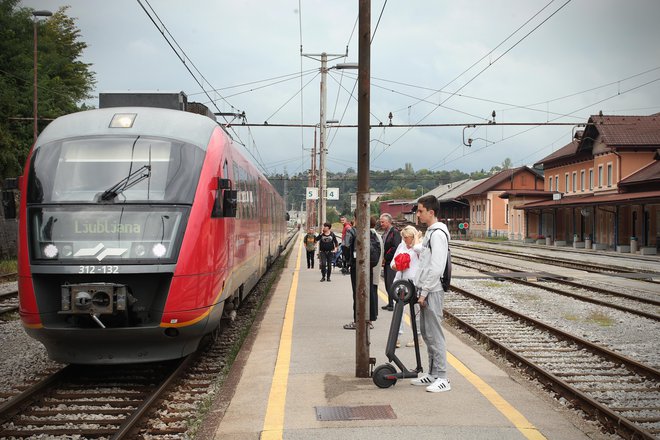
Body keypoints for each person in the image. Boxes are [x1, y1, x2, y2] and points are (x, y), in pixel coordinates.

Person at [410, 195, 451, 393]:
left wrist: (424, 292)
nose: (418, 215)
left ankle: (443, 377)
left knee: (435, 334)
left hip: (432, 291)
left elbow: (437, 268)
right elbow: (424, 256)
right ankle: (433, 373)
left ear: (431, 212)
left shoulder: (438, 235)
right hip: (426, 290)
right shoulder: (430, 233)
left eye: (420, 211)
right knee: (426, 333)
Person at [344, 215, 383, 330]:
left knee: (357, 293)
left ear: (356, 218)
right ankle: (369, 320)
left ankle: (358, 321)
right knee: (369, 291)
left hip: (357, 266)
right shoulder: (372, 233)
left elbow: (346, 246)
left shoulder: (353, 231)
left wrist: (348, 261)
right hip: (369, 267)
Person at [390, 225, 422, 348]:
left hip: (414, 283)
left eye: (406, 237)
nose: (404, 240)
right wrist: (395, 266)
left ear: (413, 236)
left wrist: (417, 240)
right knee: (398, 310)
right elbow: (393, 261)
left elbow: (419, 251)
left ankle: (417, 337)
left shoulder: (419, 246)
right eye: (403, 237)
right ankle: (396, 337)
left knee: (416, 312)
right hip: (400, 281)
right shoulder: (401, 246)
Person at [380, 213, 401, 311]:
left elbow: (395, 247)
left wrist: (386, 257)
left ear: (388, 222)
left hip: (391, 262)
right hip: (387, 261)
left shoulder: (394, 232)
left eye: (382, 222)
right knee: (387, 283)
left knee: (391, 282)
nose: (381, 224)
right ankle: (390, 302)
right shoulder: (385, 233)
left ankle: (393, 304)